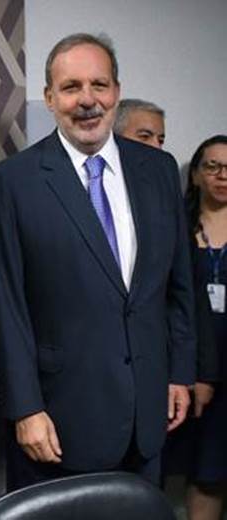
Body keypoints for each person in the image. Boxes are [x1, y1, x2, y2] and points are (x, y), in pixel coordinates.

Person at [0, 33, 196, 490]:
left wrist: (180, 372)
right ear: (50, 98)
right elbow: (7, 305)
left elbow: (179, 284)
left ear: (116, 92)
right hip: (58, 423)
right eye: (71, 87)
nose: (87, 100)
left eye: (99, 85)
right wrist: (25, 407)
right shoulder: (13, 180)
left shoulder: (159, 170)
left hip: (148, 417)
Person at [169, 135, 227, 520]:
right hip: (191, 367)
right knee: (197, 466)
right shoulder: (176, 226)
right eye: (213, 166)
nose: (223, 176)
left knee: (216, 470)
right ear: (195, 175)